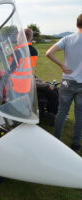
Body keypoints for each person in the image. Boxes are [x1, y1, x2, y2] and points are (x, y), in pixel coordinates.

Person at [46, 13, 82, 153]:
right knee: (80, 114)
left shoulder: (67, 38)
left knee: (61, 112)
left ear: (76, 24)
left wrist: (62, 65)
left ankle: (56, 141)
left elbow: (49, 53)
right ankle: (76, 143)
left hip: (67, 82)